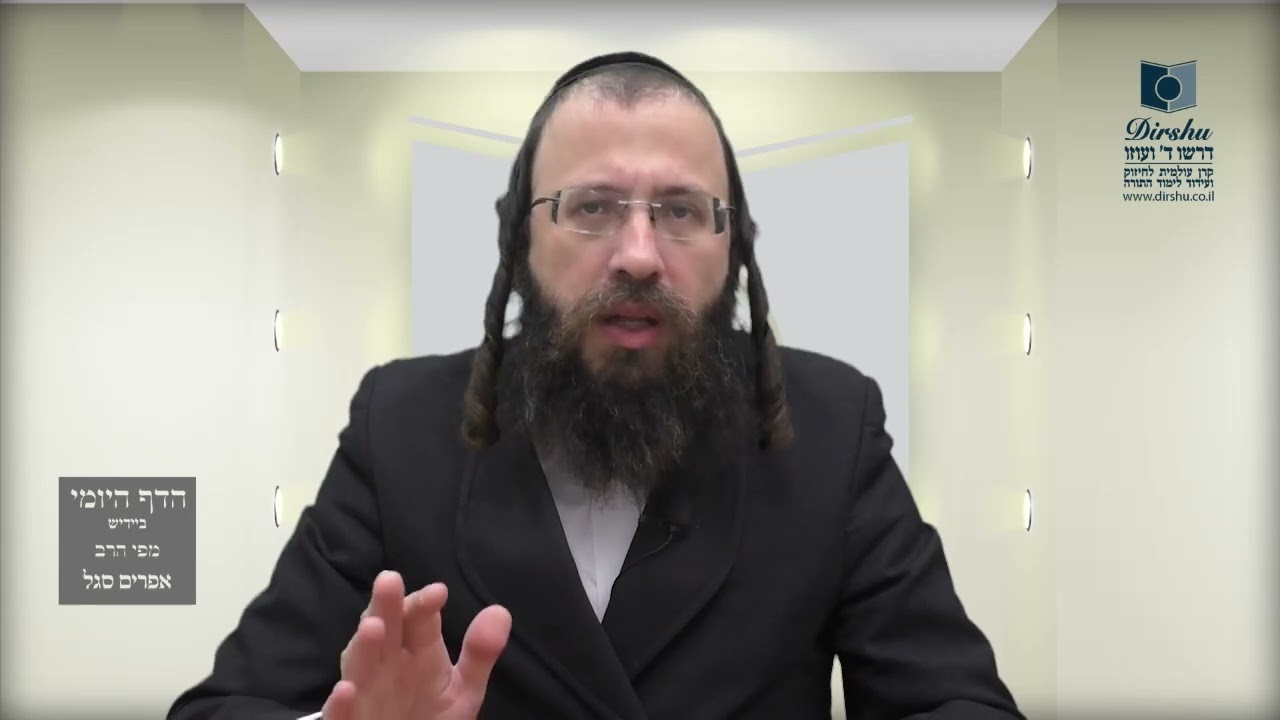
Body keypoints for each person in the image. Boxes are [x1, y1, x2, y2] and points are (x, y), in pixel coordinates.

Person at [167, 51, 1023, 720]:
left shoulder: (832, 425)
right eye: (591, 207)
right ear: (520, 241)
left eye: (681, 210)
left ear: (734, 248)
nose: (639, 255)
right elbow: (227, 707)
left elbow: (953, 703)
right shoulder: (398, 427)